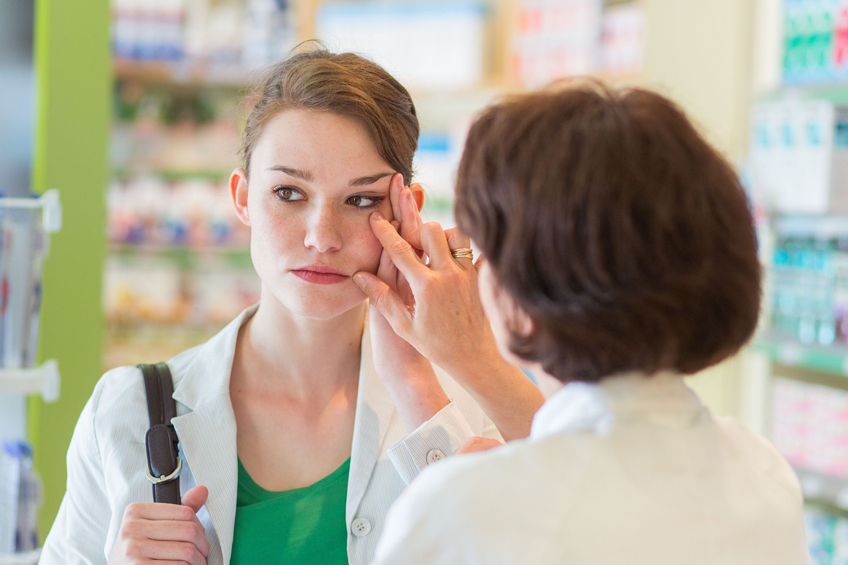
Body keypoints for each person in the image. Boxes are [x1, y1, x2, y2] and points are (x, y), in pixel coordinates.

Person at [40, 46, 544, 565]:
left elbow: (576, 530)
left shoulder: (463, 411)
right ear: (241, 197)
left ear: (406, 210)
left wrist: (430, 376)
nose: (321, 237)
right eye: (288, 192)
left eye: (361, 199)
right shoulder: (127, 411)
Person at [356, 83, 811, 565]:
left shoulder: (466, 510)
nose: (478, 270)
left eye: (483, 251)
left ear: (521, 295)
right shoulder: (763, 473)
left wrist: (462, 488)